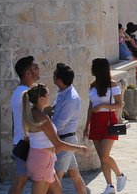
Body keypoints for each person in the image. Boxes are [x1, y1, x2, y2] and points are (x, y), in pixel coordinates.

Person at [22, 83, 87, 194]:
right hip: (43, 161)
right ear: (41, 98)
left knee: (57, 190)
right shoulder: (43, 118)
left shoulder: (31, 113)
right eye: (47, 95)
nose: (49, 96)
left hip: (39, 159)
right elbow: (58, 144)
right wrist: (79, 148)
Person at [85, 58, 126, 194]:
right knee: (101, 157)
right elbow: (90, 107)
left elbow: (119, 104)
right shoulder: (92, 85)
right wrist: (87, 126)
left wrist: (102, 105)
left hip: (108, 120)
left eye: (93, 66)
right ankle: (110, 186)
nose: (91, 68)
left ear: (99, 69)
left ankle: (120, 175)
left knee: (104, 156)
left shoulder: (112, 85)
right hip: (96, 121)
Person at [51, 63, 87, 194]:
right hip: (64, 140)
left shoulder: (71, 98)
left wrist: (43, 130)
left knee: (54, 179)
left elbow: (59, 124)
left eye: (54, 75)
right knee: (74, 174)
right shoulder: (62, 93)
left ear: (59, 80)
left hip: (65, 141)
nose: (52, 76)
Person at [9, 56, 40, 194]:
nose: (38, 69)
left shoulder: (20, 92)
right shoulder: (24, 94)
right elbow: (33, 117)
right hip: (25, 143)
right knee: (20, 182)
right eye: (35, 68)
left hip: (24, 142)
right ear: (27, 73)